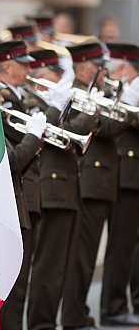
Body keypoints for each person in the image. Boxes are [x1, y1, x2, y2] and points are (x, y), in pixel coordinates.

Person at [60, 40, 134, 330]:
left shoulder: (99, 93)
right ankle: (73, 317)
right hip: (89, 180)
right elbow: (95, 127)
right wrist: (115, 105)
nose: (104, 73)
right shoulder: (74, 93)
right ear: (83, 68)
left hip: (102, 181)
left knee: (87, 257)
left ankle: (79, 315)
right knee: (81, 256)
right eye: (98, 68)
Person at [0, 40, 44, 329]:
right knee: (11, 286)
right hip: (6, 211)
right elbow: (12, 161)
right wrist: (35, 137)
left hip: (17, 206)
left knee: (19, 285)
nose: (1, 101)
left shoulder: (0, 119)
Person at [98, 41, 139, 326]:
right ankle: (112, 305)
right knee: (120, 244)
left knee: (132, 246)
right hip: (126, 174)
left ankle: (132, 301)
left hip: (133, 174)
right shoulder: (118, 91)